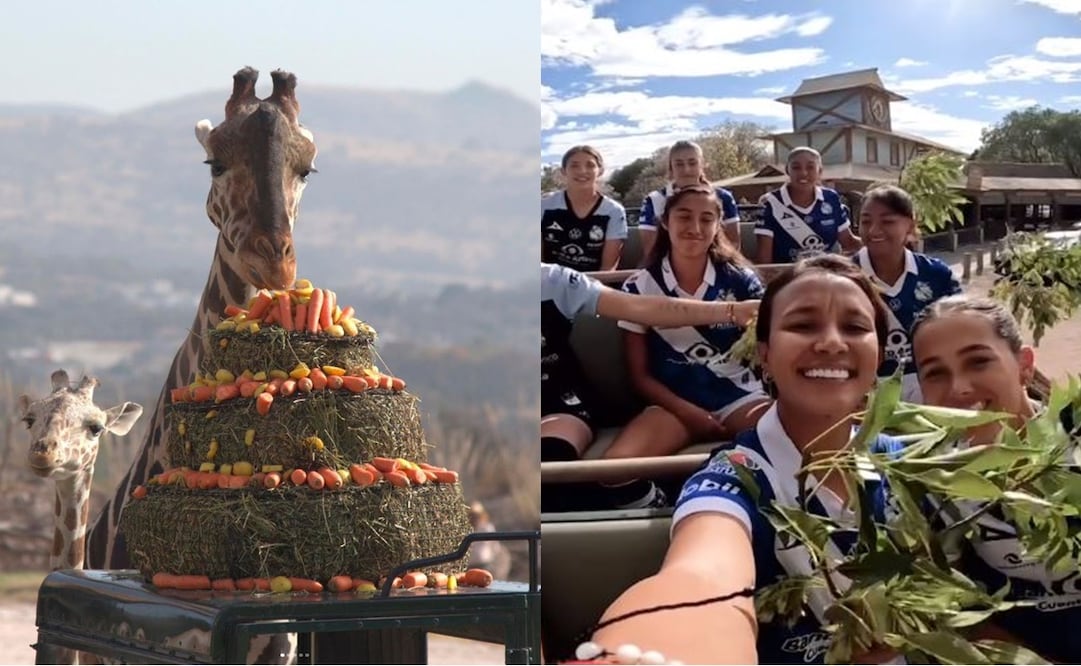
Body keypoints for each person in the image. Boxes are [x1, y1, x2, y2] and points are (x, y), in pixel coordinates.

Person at [579, 254, 896, 664]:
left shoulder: (916, 469)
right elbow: (701, 578)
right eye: (802, 325)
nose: (832, 342)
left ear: (880, 353)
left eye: (855, 327)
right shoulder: (732, 481)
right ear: (764, 352)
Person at [911, 295, 1081, 663]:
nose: (959, 388)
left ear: (1024, 365)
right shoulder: (927, 479)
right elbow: (955, 607)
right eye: (935, 372)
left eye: (978, 361)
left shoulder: (1075, 437)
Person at [599, 185, 769, 510]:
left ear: (718, 225)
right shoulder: (639, 286)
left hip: (740, 397)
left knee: (798, 446)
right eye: (684, 216)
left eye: (707, 218)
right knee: (614, 471)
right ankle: (664, 507)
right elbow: (639, 375)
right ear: (665, 222)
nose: (694, 227)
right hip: (671, 405)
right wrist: (686, 411)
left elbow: (766, 351)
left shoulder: (742, 281)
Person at [540, 261, 759, 464]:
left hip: (557, 403)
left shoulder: (553, 279)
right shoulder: (643, 281)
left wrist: (730, 311)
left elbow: (639, 308)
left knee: (551, 456)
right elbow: (639, 375)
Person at [855, 185, 961, 402]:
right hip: (864, 393)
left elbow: (960, 330)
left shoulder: (937, 275)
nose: (874, 230)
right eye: (866, 221)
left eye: (887, 222)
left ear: (911, 226)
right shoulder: (844, 277)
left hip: (930, 389)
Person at [754, 147, 862, 265]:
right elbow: (764, 261)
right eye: (796, 167)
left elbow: (849, 242)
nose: (803, 173)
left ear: (819, 171)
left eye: (810, 167)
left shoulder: (831, 198)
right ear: (787, 170)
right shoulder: (770, 203)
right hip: (786, 276)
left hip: (824, 274)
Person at [638, 140, 742, 261]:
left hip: (716, 264)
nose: (686, 170)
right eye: (679, 164)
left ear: (702, 164)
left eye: (692, 163)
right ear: (671, 168)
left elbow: (733, 245)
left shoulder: (723, 198)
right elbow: (651, 252)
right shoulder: (654, 200)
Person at [542, 145, 627, 272]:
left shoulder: (613, 211)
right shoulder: (544, 206)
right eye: (574, 165)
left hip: (595, 285)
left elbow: (608, 269)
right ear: (564, 171)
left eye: (590, 165)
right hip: (550, 285)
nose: (582, 171)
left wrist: (588, 291)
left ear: (600, 171)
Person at [467, 501, 512, 581]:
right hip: (469, 565)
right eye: (472, 515)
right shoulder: (466, 529)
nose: (474, 518)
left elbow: (495, 545)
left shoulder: (487, 528)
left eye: (476, 515)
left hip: (484, 564)